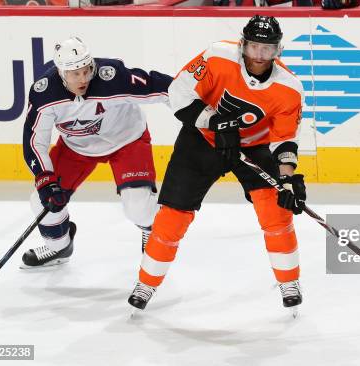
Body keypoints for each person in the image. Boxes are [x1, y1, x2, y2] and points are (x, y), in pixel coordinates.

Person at [127, 15, 307, 314]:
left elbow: (284, 141)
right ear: (242, 44)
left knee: (276, 212)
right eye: (253, 47)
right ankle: (146, 283)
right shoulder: (216, 55)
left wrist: (287, 179)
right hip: (201, 141)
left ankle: (289, 282)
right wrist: (215, 123)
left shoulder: (289, 88)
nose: (259, 57)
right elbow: (179, 92)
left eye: (267, 49)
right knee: (172, 216)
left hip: (255, 147)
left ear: (278, 51)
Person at [21, 37, 173, 268]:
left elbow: (162, 88)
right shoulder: (44, 93)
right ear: (62, 73)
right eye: (75, 74)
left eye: (86, 70)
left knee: (138, 207)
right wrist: (45, 180)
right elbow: (34, 142)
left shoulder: (111, 77)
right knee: (41, 201)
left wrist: (199, 114)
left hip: (127, 139)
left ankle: (149, 227)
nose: (83, 79)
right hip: (76, 147)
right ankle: (59, 247)